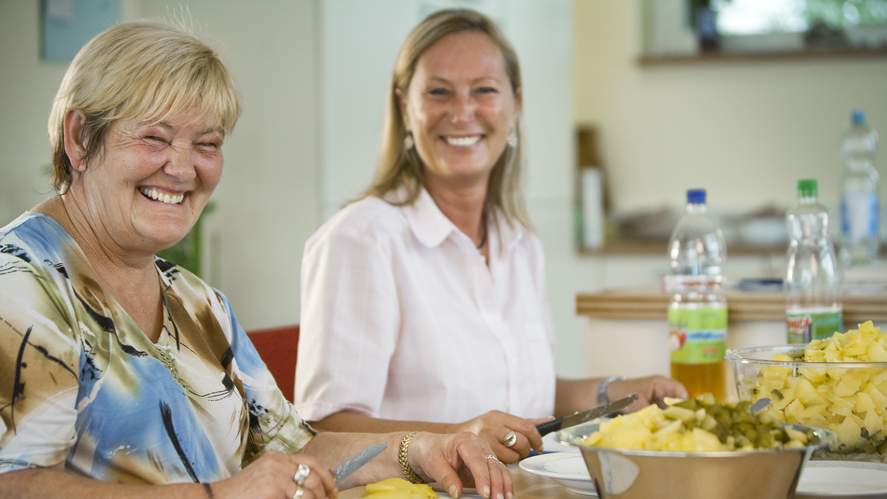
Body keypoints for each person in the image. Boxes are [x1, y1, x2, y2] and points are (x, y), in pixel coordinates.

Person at [0, 21, 511, 499]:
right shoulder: (19, 283)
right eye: (154, 137)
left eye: (207, 144)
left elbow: (296, 449)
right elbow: (13, 483)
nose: (182, 168)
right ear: (79, 138)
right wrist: (217, 495)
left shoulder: (198, 303)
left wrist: (419, 448)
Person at [295, 8, 688, 464]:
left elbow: (521, 397)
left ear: (515, 105)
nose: (462, 112)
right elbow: (323, 429)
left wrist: (614, 391)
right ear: (405, 108)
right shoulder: (361, 240)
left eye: (484, 91)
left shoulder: (518, 241)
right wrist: (457, 437)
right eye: (439, 92)